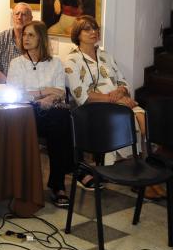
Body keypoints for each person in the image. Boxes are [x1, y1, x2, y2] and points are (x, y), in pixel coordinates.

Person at [64, 15, 154, 194]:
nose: (94, 32)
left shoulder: (106, 56)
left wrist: (120, 93)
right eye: (87, 29)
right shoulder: (71, 60)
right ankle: (140, 175)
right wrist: (117, 99)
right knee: (133, 120)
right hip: (94, 109)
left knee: (144, 118)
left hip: (119, 104)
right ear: (77, 34)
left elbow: (124, 83)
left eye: (95, 28)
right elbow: (83, 96)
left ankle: (143, 170)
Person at [7, 20, 74, 208]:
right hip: (24, 113)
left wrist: (48, 98)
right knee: (60, 122)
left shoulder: (55, 63)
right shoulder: (17, 63)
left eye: (31, 35)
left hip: (49, 111)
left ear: (41, 39)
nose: (25, 38)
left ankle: (58, 185)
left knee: (60, 120)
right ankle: (68, 176)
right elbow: (17, 93)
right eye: (24, 35)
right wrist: (44, 92)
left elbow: (60, 91)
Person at [0, 3, 33, 82]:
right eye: (17, 14)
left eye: (24, 14)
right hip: (3, 87)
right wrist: (10, 85)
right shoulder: (0, 38)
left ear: (31, 18)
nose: (19, 17)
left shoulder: (35, 40)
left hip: (28, 87)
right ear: (12, 17)